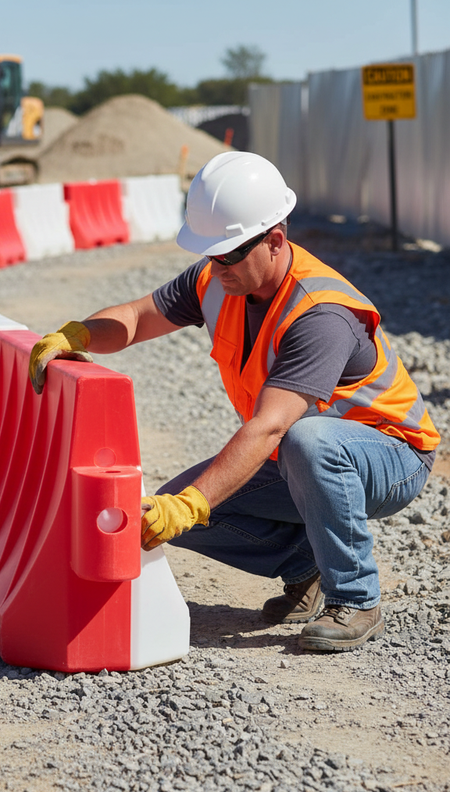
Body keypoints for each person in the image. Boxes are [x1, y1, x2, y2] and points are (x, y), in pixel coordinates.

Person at [28, 152, 440, 652]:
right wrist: (80, 334)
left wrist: (192, 503)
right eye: (211, 253)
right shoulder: (216, 278)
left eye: (228, 254)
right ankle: (306, 567)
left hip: (390, 455)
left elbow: (269, 427)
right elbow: (138, 317)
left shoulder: (319, 314)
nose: (216, 265)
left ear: (275, 241)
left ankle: (355, 595)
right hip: (298, 455)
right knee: (171, 516)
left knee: (291, 449)